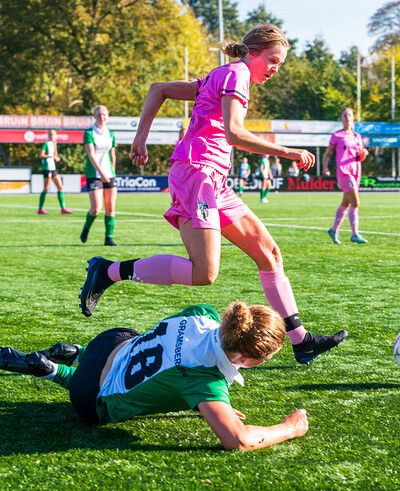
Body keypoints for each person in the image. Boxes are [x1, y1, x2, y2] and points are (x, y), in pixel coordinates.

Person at [80, 23, 346, 365]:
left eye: (279, 63)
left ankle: (301, 340)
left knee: (269, 254)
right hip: (197, 174)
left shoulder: (221, 75)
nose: (275, 69)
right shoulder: (237, 76)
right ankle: (108, 271)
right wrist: (287, 152)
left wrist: (140, 137)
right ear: (253, 53)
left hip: (213, 179)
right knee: (204, 273)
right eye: (272, 60)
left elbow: (158, 89)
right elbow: (234, 133)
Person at [0, 302, 309, 451]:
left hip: (109, 341)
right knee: (102, 402)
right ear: (245, 359)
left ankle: (77, 353)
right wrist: (289, 428)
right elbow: (238, 440)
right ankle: (55, 370)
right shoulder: (204, 380)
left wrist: (208, 407)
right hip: (88, 396)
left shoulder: (205, 314)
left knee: (140, 340)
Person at [323, 108, 369, 245]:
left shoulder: (357, 136)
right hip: (344, 172)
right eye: (344, 115)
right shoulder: (337, 135)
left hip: (356, 171)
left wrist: (364, 154)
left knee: (346, 203)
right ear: (341, 119)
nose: (347, 117)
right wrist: (325, 167)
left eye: (349, 115)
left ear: (353, 118)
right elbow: (327, 154)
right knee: (356, 202)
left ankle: (333, 229)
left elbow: (359, 157)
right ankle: (354, 234)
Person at [80, 105, 118, 246]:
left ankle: (108, 238)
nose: (101, 116)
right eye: (99, 114)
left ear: (107, 117)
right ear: (95, 116)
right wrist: (102, 174)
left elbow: (112, 154)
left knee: (110, 208)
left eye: (104, 114)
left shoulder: (111, 133)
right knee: (96, 208)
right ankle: (86, 227)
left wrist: (112, 171)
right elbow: (91, 155)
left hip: (109, 174)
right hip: (94, 174)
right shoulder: (89, 132)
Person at [37, 129, 73, 215]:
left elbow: (56, 155)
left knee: (60, 187)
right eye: (50, 135)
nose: (52, 136)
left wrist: (57, 158)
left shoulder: (54, 144)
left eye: (53, 135)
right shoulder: (46, 144)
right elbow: (41, 155)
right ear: (48, 135)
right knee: (46, 188)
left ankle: (63, 208)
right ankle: (40, 209)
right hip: (47, 168)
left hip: (53, 168)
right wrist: (51, 156)